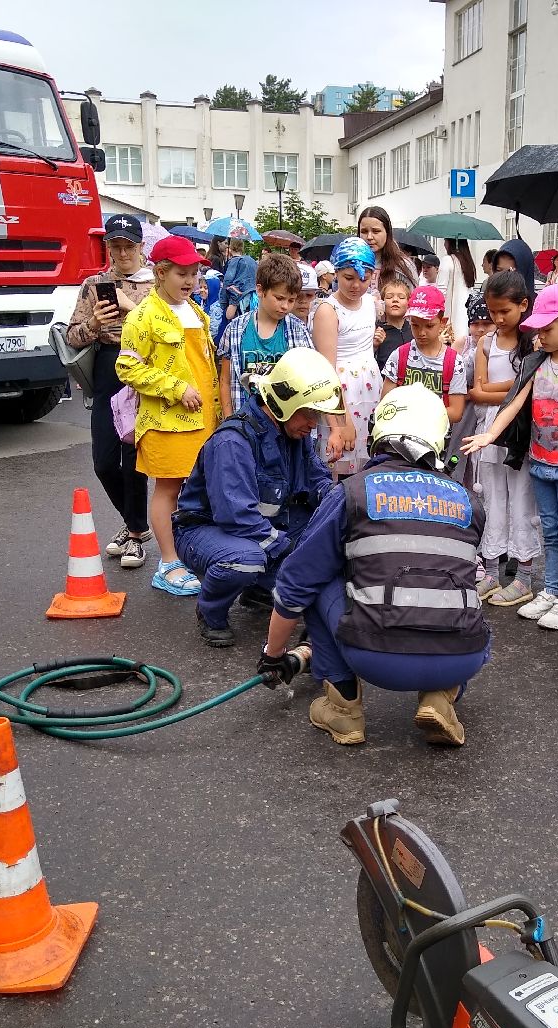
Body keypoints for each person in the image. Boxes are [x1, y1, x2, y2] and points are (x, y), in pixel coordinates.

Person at [259, 384, 490, 748]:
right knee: (458, 591)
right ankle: (440, 696)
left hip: (376, 657)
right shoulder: (469, 501)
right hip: (462, 657)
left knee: (317, 579)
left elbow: (295, 584)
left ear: (378, 435)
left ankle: (344, 710)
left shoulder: (353, 491)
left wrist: (272, 656)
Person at [463, 284, 558, 632]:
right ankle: (552, 590)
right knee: (552, 533)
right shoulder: (535, 363)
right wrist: (490, 434)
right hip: (541, 462)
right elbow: (513, 403)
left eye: (547, 328)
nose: (540, 336)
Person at [173, 347, 341, 646]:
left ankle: (259, 589)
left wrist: (342, 508)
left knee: (327, 546)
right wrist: (292, 551)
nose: (314, 423)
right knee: (247, 560)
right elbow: (237, 517)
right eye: (310, 413)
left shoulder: (294, 432)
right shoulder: (232, 442)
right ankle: (210, 610)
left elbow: (318, 483)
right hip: (210, 530)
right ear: (284, 403)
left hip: (265, 526)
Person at [116, 235, 216, 598]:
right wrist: (175, 388)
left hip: (203, 420)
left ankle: (187, 557)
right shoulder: (143, 316)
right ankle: (168, 564)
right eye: (181, 273)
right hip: (166, 421)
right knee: (169, 489)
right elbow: (127, 368)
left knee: (197, 491)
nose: (190, 280)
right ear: (160, 272)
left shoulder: (196, 310)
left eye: (194, 273)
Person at [66, 214, 156, 570]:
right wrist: (94, 323)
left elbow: (167, 331)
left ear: (141, 247)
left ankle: (134, 534)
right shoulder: (94, 285)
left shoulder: (156, 284)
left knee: (134, 456)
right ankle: (135, 523)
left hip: (143, 368)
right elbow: (72, 336)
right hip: (107, 364)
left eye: (128, 246)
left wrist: (130, 309)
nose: (122, 253)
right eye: (115, 246)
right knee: (104, 460)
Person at [467, 272, 541, 605]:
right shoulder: (486, 342)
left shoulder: (533, 342)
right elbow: (477, 392)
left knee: (521, 499)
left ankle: (524, 576)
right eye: (492, 312)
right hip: (487, 431)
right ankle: (492, 573)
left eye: (504, 312)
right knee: (491, 498)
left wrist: (502, 388)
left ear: (523, 305)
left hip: (519, 432)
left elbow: (527, 387)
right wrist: (512, 385)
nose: (497, 319)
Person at [311, 238, 381, 476]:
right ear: (336, 273)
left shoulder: (371, 304)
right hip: (341, 397)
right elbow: (326, 372)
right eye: (349, 278)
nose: (357, 286)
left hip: (370, 391)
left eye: (364, 279)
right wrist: (341, 423)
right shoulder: (327, 311)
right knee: (339, 470)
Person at [216, 252, 314, 419]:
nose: (285, 306)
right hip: (244, 422)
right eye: (279, 298)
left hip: (284, 424)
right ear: (260, 290)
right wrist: (228, 420)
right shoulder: (235, 330)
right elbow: (225, 380)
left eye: (291, 300)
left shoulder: (298, 331)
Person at [381, 284, 468, 426]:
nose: (421, 332)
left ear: (442, 322)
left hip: (433, 437)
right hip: (399, 431)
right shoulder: (399, 355)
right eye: (415, 325)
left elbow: (456, 412)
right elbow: (385, 402)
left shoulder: (454, 362)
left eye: (429, 326)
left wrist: (416, 413)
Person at [358, 206, 417, 295]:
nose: (369, 237)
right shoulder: (351, 263)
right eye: (364, 231)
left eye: (376, 231)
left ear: (387, 232)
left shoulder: (403, 266)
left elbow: (413, 301)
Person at [437, 238, 477, 341]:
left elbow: (440, 292)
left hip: (449, 319)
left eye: (445, 241)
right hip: (465, 318)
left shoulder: (447, 260)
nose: (444, 244)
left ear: (450, 243)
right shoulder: (468, 263)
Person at [373, 277, 413, 367]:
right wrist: (374, 346)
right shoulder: (376, 331)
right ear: (382, 303)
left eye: (401, 297)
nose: (395, 300)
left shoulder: (414, 330)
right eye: (389, 297)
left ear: (408, 303)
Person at [219, 237, 257, 331]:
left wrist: (223, 302)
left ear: (230, 248)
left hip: (237, 296)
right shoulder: (252, 260)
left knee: (232, 320)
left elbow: (227, 281)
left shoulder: (234, 261)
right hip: (254, 296)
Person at [293, 262, 321, 328]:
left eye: (309, 295)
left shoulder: (320, 322)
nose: (303, 301)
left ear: (315, 296)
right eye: (297, 296)